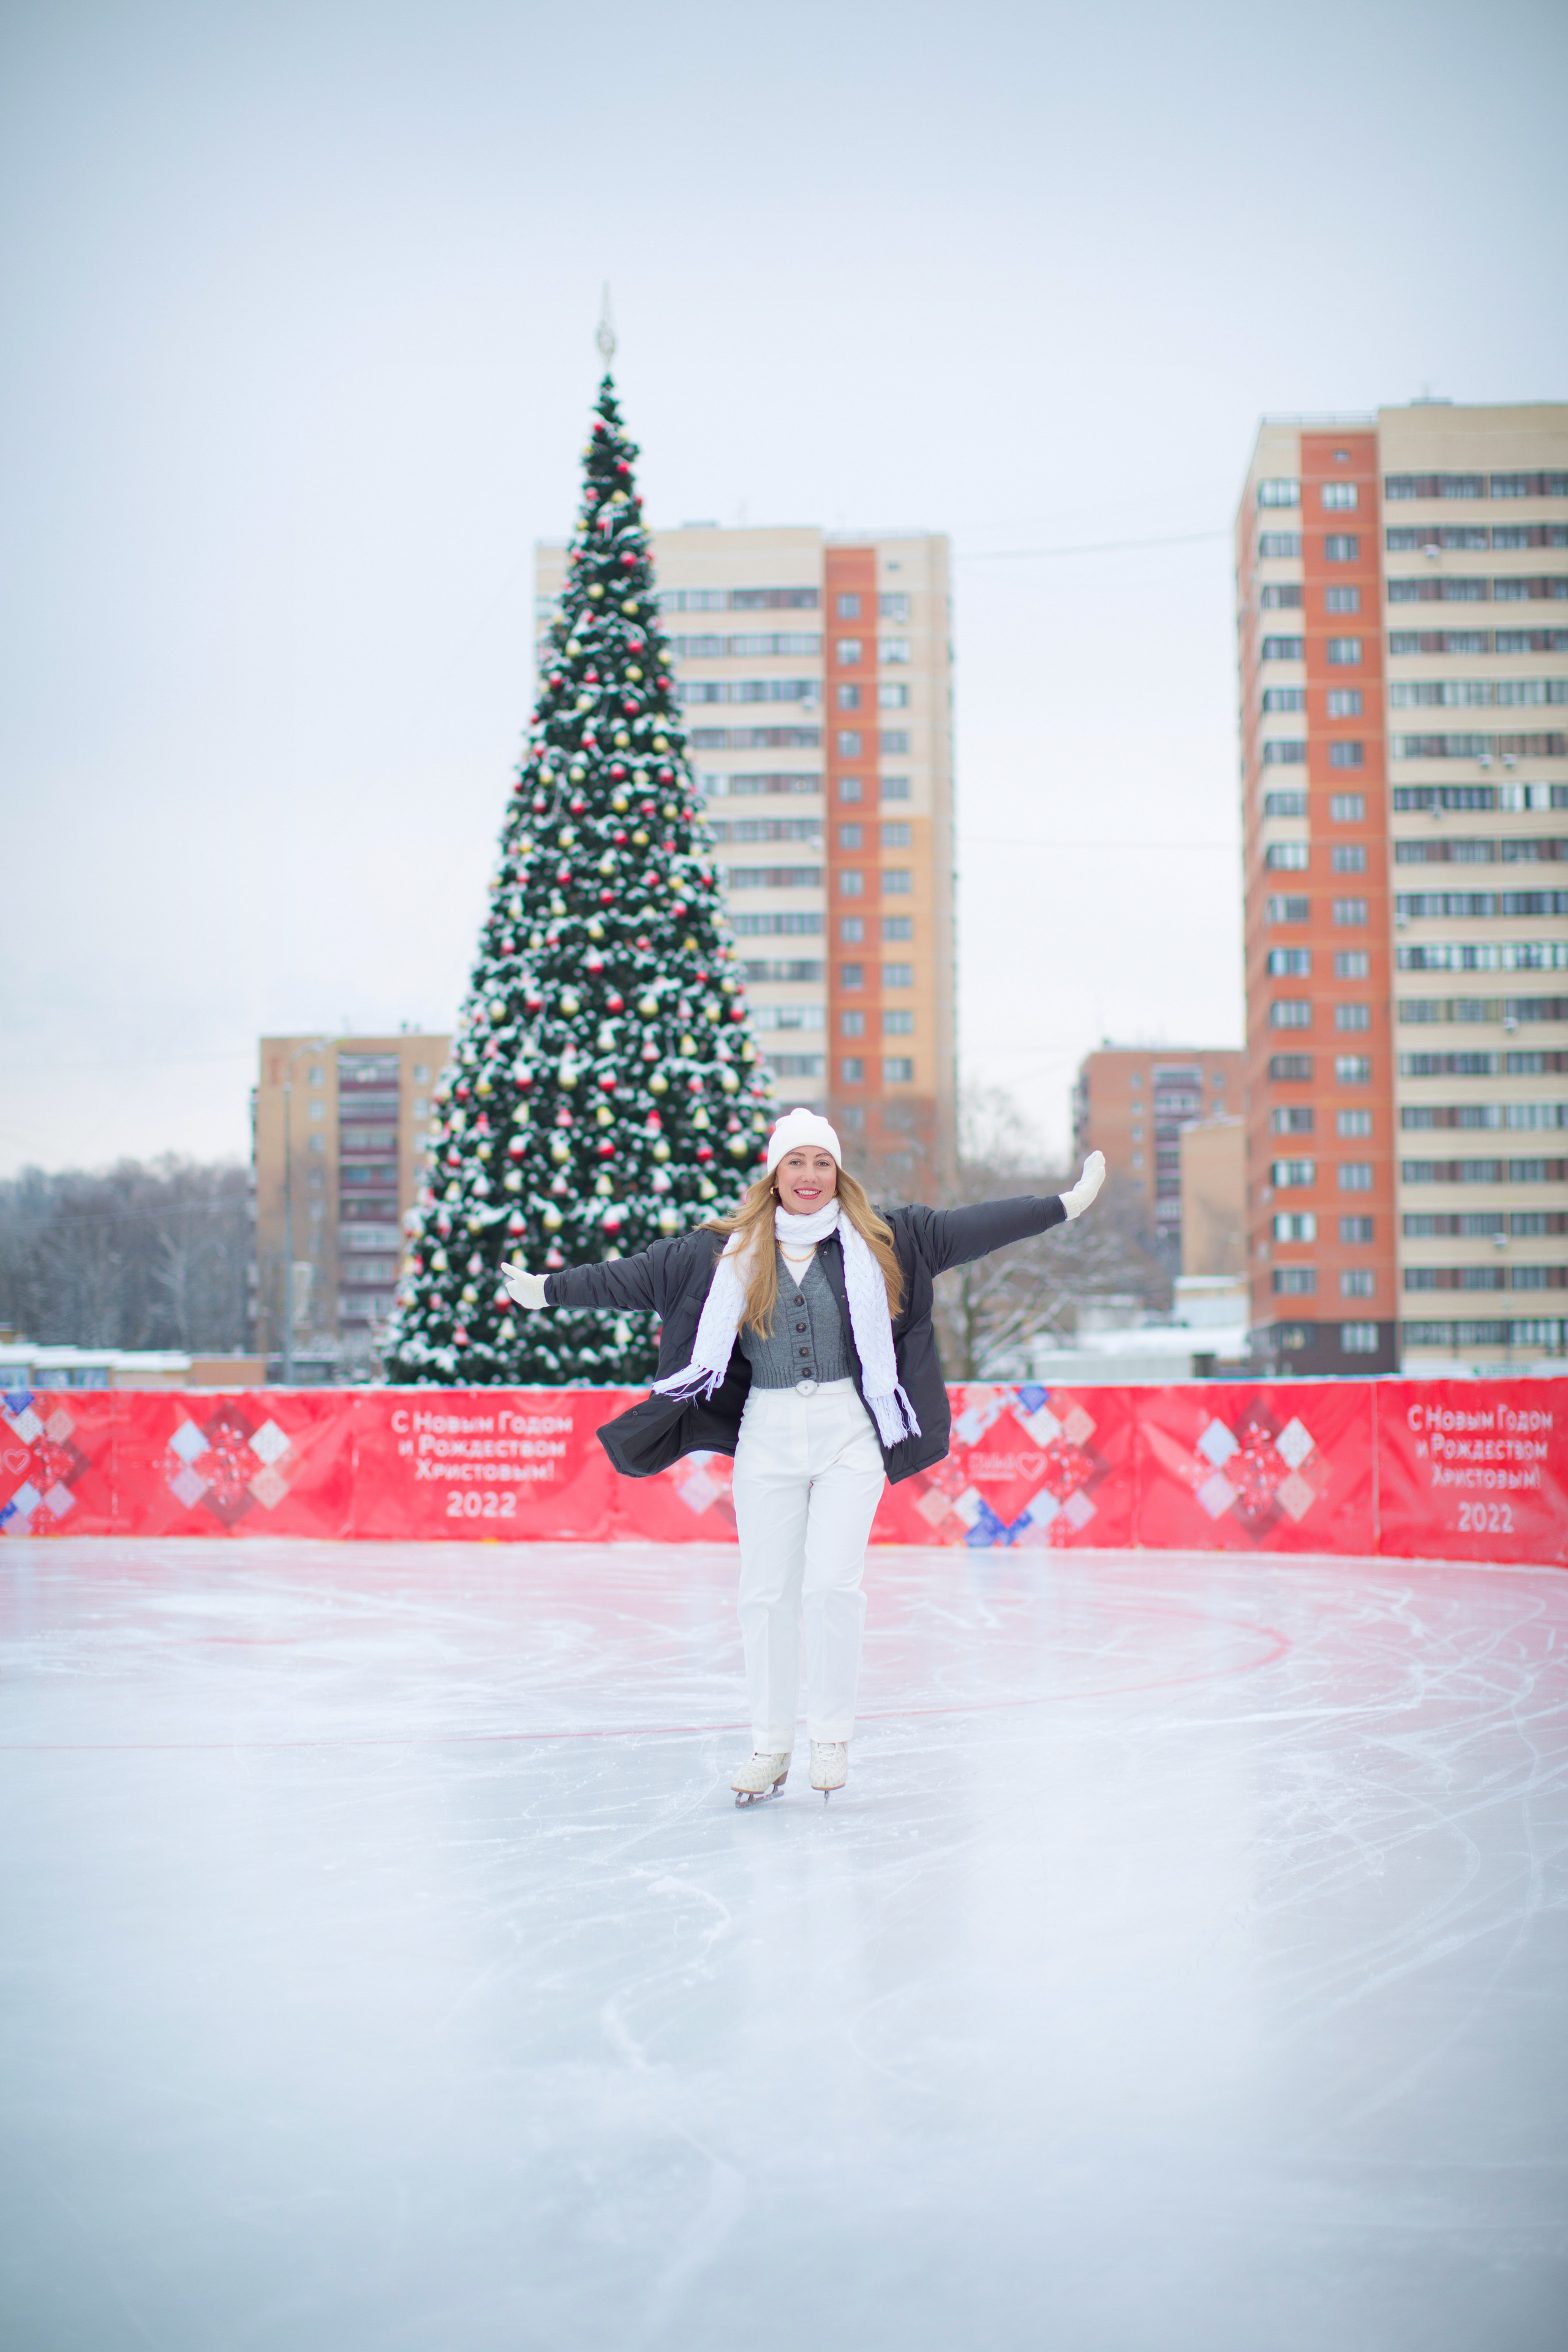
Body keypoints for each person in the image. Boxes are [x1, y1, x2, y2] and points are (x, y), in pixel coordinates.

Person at [503, 1108, 1106, 1806]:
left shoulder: (889, 1240)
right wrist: (545, 1290)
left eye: (822, 1163)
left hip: (850, 1427)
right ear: (774, 1174)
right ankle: (770, 1744)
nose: (809, 1176)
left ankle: (830, 1733)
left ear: (838, 1173)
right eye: (796, 1162)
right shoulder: (717, 1255)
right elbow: (626, 1279)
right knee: (764, 1595)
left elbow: (978, 1226)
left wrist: (1064, 1205)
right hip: (767, 1429)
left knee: (829, 1587)